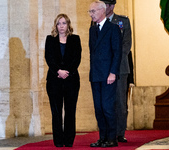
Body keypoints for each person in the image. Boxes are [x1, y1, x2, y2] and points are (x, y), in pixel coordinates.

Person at [88, 0, 122, 148]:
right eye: (90, 12)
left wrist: (113, 72)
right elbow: (92, 53)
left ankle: (112, 138)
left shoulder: (113, 28)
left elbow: (117, 53)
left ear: (102, 10)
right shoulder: (92, 30)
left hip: (108, 75)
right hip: (96, 75)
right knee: (98, 108)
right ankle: (102, 138)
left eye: (93, 11)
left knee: (108, 107)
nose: (91, 14)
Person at [45, 13, 82, 147]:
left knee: (70, 111)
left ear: (68, 25)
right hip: (54, 81)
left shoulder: (75, 39)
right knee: (56, 112)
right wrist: (58, 71)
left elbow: (77, 58)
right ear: (56, 25)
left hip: (71, 80)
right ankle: (58, 141)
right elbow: (49, 58)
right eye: (59, 23)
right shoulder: (50, 39)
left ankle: (69, 140)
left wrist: (68, 72)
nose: (61, 26)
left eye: (64, 23)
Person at [100, 0, 133, 143]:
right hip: (103, 69)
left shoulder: (122, 21)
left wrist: (113, 63)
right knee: (105, 102)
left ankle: (120, 133)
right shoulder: (97, 22)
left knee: (120, 102)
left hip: (120, 68)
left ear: (111, 6)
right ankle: (107, 132)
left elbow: (126, 45)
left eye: (104, 5)